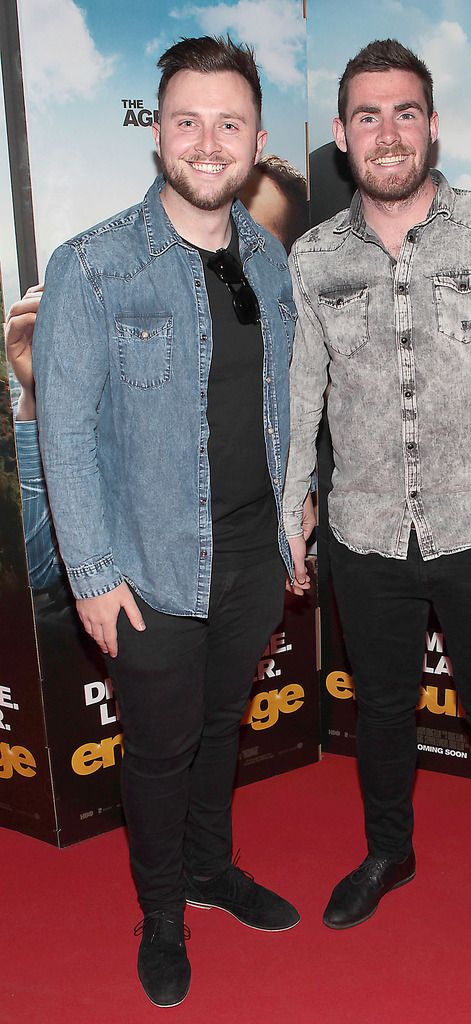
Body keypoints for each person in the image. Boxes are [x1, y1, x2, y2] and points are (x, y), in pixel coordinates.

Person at [284, 39, 471, 962]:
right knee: (379, 710)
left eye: (404, 112)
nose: (388, 132)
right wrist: (292, 505)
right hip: (365, 531)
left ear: (431, 125)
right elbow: (300, 397)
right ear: (341, 136)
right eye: (368, 115)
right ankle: (387, 854)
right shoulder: (312, 258)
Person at [31, 36, 304, 1008]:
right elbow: (61, 431)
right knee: (157, 750)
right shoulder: (94, 266)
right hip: (146, 568)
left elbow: (278, 400)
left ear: (256, 140)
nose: (206, 140)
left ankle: (208, 868)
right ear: (157, 134)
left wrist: (295, 512)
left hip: (249, 558)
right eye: (186, 119)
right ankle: (159, 915)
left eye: (228, 123)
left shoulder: (270, 259)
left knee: (221, 728)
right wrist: (94, 573)